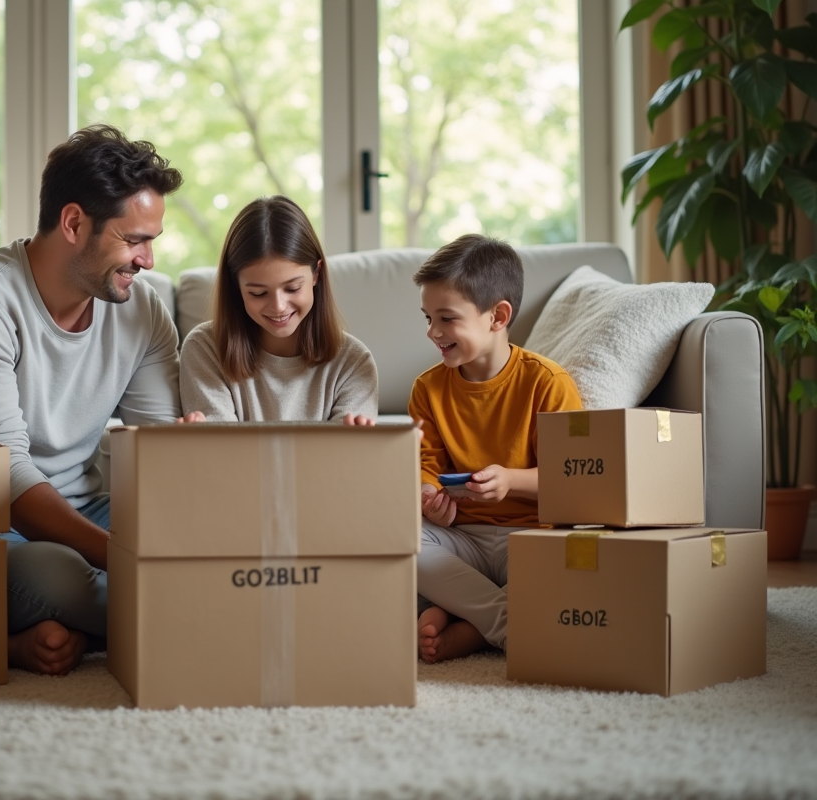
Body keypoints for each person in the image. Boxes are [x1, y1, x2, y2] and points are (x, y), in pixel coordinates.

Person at [0, 125, 184, 676]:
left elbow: (158, 454)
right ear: (74, 223)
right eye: (134, 240)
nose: (147, 260)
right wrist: (132, 559)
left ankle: (49, 625)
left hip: (84, 509)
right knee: (53, 574)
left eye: (153, 239)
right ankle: (211, 612)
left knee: (198, 531)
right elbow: (0, 482)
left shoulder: (141, 310)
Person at [408, 233, 581, 663]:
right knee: (402, 542)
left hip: (532, 536)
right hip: (460, 537)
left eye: (447, 319)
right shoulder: (427, 389)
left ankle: (463, 626)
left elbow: (574, 480)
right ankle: (507, 623)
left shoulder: (547, 382)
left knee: (576, 567)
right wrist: (428, 495)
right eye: (428, 317)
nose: (433, 331)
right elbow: (424, 465)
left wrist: (511, 481)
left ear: (497, 316)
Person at [179, 196, 377, 425]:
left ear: (316, 274)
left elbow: (341, 456)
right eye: (258, 293)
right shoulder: (205, 349)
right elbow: (222, 452)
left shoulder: (353, 362)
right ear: (236, 286)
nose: (278, 306)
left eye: (292, 288)